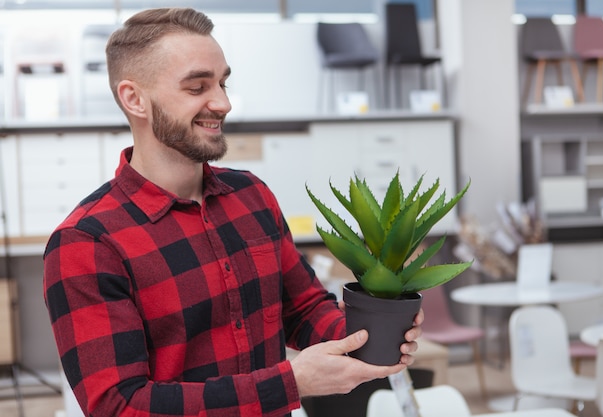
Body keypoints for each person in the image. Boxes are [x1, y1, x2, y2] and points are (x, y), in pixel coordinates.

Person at [43, 7, 424, 417]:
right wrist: (291, 383)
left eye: (223, 82)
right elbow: (120, 407)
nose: (222, 103)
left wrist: (373, 334)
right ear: (134, 99)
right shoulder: (87, 243)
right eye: (197, 87)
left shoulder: (251, 196)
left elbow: (303, 307)